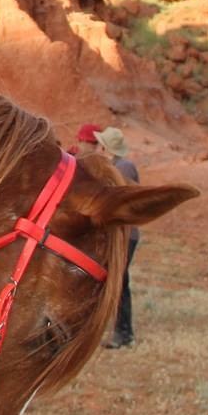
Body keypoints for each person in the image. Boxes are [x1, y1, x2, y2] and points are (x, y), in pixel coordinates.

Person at [76, 123, 141, 348]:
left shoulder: (122, 168)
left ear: (105, 148)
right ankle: (120, 331)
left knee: (119, 282)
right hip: (122, 234)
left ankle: (123, 332)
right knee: (117, 280)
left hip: (125, 235)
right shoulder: (120, 166)